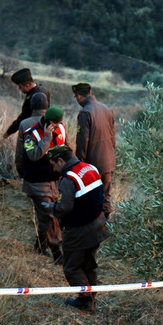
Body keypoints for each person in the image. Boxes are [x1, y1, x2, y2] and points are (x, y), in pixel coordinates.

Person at [46, 145, 111, 312]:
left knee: (72, 267)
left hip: (79, 230)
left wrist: (51, 207)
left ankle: (85, 299)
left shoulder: (68, 179)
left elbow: (64, 208)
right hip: (98, 225)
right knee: (89, 263)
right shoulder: (89, 167)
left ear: (61, 161)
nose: (54, 169)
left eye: (54, 164)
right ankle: (90, 298)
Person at [15, 93, 67, 264]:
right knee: (49, 216)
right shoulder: (30, 133)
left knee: (50, 216)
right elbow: (33, 155)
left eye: (59, 124)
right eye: (55, 124)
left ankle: (39, 245)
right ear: (48, 121)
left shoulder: (61, 129)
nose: (57, 126)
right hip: (37, 183)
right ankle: (57, 253)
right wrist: (46, 138)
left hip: (56, 182)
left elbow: (66, 150)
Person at [71, 82, 115, 219]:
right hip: (108, 160)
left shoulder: (85, 112)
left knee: (92, 196)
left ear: (78, 96)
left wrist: (79, 163)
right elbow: (113, 137)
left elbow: (82, 142)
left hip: (92, 164)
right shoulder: (107, 109)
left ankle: (94, 226)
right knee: (106, 194)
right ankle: (106, 224)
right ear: (90, 93)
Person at [3, 68, 50, 139]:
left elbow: (24, 116)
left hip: (35, 132)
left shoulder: (34, 96)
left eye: (20, 87)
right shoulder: (43, 90)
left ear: (27, 86)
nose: (19, 89)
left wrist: (8, 132)